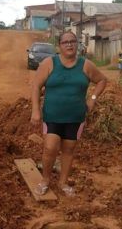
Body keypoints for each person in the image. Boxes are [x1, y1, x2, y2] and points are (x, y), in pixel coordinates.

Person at [31, 31, 107, 196]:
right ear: (60, 46)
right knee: (50, 147)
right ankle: (45, 180)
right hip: (52, 115)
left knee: (69, 149)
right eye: (65, 42)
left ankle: (63, 182)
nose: (69, 45)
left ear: (77, 44)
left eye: (73, 41)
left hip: (75, 116)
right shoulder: (49, 63)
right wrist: (35, 110)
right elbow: (36, 86)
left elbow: (102, 80)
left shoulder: (85, 65)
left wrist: (92, 98)